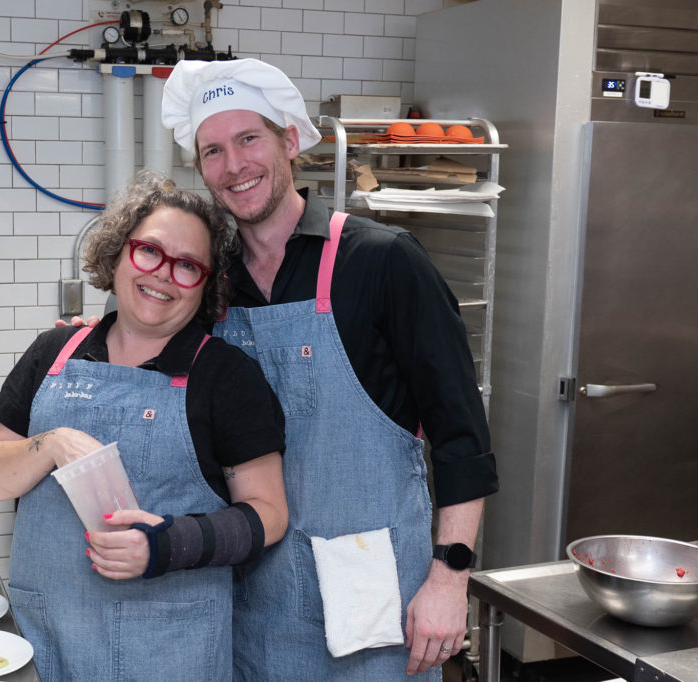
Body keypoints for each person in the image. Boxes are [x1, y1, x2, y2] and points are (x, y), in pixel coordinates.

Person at [160, 59, 499, 680]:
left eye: (249, 139)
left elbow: (461, 434)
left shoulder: (382, 261)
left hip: (374, 597)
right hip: (253, 597)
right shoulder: (211, 287)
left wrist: (451, 579)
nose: (234, 166)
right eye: (213, 150)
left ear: (289, 141)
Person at [0, 171, 288, 681]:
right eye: (149, 252)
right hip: (47, 638)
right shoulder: (53, 354)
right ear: (119, 253)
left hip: (169, 650)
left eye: (188, 266)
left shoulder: (226, 376)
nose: (163, 275)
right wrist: (52, 443)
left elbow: (270, 514)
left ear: (205, 284)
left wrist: (167, 543)